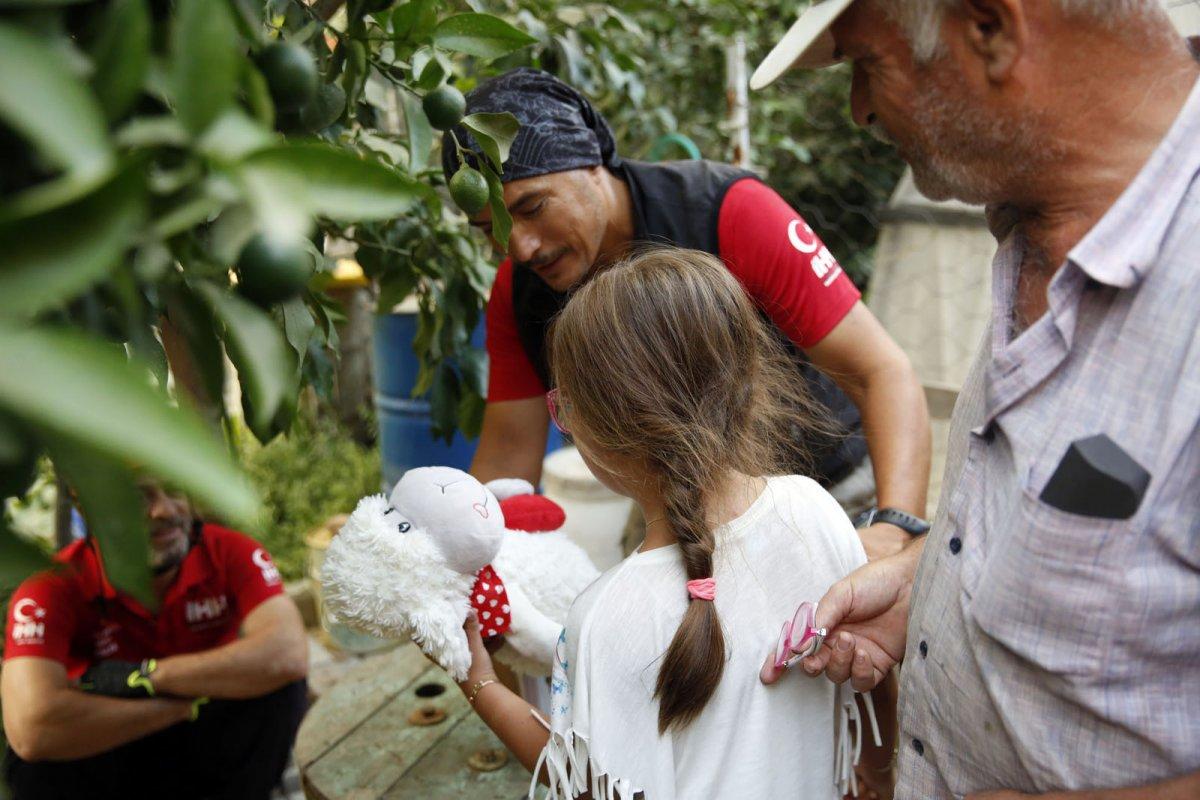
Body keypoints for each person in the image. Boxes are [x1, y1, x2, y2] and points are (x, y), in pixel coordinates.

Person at [752, 1, 1200, 799]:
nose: (858, 107)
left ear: (991, 29)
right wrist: (930, 587)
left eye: (867, 61)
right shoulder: (1035, 234)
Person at [440, 247, 895, 799]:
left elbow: (586, 786)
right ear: (747, 382)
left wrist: (480, 682)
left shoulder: (603, 619)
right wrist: (875, 776)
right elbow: (872, 682)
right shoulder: (815, 511)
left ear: (600, 433)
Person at [445, 68, 932, 562]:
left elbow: (881, 373)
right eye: (491, 228)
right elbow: (508, 455)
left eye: (532, 207)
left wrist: (895, 528)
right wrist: (460, 568)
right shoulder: (517, 290)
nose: (520, 246)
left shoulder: (730, 213)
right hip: (675, 501)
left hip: (828, 485)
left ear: (591, 162)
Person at [2, 481, 309, 800]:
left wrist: (145, 676)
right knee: (34, 765)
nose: (165, 509)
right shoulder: (50, 587)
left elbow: (288, 653)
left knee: (282, 688)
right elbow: (32, 728)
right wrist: (180, 708)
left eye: (174, 489)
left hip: (212, 748)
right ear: (88, 509)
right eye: (138, 497)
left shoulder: (230, 550)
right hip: (116, 749)